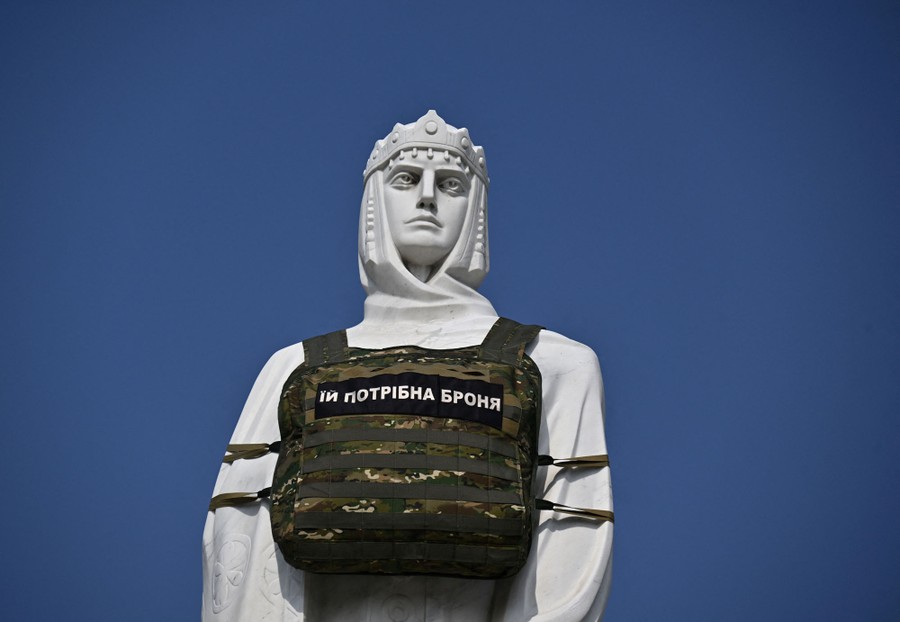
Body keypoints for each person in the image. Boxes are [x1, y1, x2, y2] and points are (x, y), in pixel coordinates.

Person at [202, 110, 614, 621]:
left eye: (450, 183)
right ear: (374, 201)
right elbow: (239, 545)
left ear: (476, 208)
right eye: (405, 179)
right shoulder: (293, 368)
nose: (427, 197)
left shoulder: (554, 363)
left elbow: (570, 560)